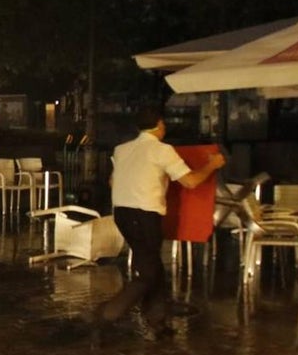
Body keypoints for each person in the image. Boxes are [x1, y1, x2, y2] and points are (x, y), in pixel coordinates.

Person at [93, 105, 225, 339]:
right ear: (160, 125)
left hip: (123, 214)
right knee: (148, 274)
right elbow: (191, 181)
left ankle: (157, 322)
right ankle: (107, 314)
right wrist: (212, 165)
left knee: (152, 266)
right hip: (145, 216)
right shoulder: (162, 150)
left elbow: (113, 182)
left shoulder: (122, 150)